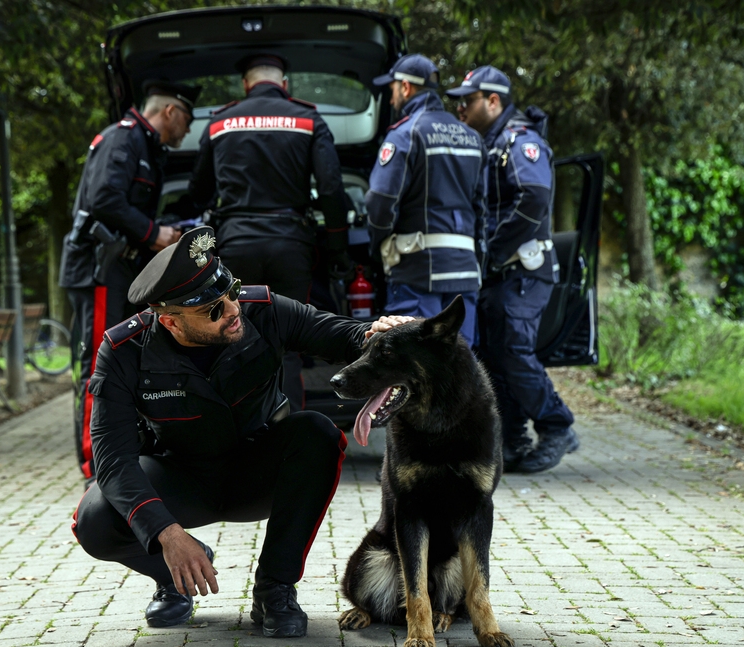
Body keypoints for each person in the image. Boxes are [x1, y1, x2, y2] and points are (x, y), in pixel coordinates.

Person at [71, 226, 411, 637]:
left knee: (317, 434)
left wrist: (381, 332)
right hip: (181, 478)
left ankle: (275, 588)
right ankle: (174, 575)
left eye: (230, 290)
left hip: (257, 468)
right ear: (171, 322)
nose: (232, 309)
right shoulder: (124, 352)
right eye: (213, 309)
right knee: (93, 519)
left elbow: (341, 333)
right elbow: (112, 460)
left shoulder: (261, 309)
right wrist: (167, 533)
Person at [180, 54, 352, 412]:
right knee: (285, 343)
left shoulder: (219, 123)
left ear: (245, 84)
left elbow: (198, 192)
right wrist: (338, 249)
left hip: (235, 245)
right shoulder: (308, 119)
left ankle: (236, 436)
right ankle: (287, 435)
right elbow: (332, 189)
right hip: (292, 246)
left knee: (232, 338)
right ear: (284, 84)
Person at [59, 80, 200, 483]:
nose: (188, 130)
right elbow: (104, 198)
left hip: (118, 270)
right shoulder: (123, 139)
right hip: (99, 270)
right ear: (169, 111)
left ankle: (126, 452)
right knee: (98, 366)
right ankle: (95, 465)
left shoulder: (144, 146)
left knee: (127, 363)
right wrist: (152, 233)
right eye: (186, 119)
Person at [445, 65, 579, 473]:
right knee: (495, 356)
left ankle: (558, 427)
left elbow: (534, 197)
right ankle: (513, 439)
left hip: (522, 270)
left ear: (493, 101)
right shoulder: (492, 143)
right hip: (501, 272)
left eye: (467, 100)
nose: (460, 108)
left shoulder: (520, 142)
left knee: (514, 354)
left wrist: (494, 250)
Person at [365, 54, 487, 344]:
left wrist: (378, 247)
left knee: (413, 367)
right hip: (465, 274)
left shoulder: (406, 133)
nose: (392, 98)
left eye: (393, 89)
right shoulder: (472, 137)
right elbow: (483, 211)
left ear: (406, 88)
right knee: (460, 369)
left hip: (417, 274)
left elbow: (380, 202)